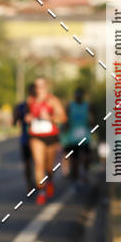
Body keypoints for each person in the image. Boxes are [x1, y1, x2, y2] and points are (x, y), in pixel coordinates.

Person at [25, 76, 67, 204]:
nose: (38, 89)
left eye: (41, 86)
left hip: (51, 136)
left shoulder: (52, 101)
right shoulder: (30, 100)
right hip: (36, 135)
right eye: (36, 86)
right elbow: (28, 116)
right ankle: (41, 191)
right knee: (39, 164)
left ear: (46, 87)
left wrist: (50, 117)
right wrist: (28, 118)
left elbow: (63, 118)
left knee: (49, 167)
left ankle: (49, 180)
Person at [67, 88, 93, 185]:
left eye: (80, 95)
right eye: (76, 95)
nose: (78, 97)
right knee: (74, 161)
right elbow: (65, 120)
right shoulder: (70, 106)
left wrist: (91, 121)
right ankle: (75, 179)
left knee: (86, 157)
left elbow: (92, 120)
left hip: (85, 136)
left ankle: (85, 174)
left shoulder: (87, 106)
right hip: (73, 138)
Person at [13, 83, 35, 192]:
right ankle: (29, 183)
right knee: (27, 164)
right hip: (25, 139)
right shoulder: (21, 106)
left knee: (38, 162)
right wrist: (16, 115)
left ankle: (39, 180)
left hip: (38, 138)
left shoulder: (40, 105)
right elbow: (14, 122)